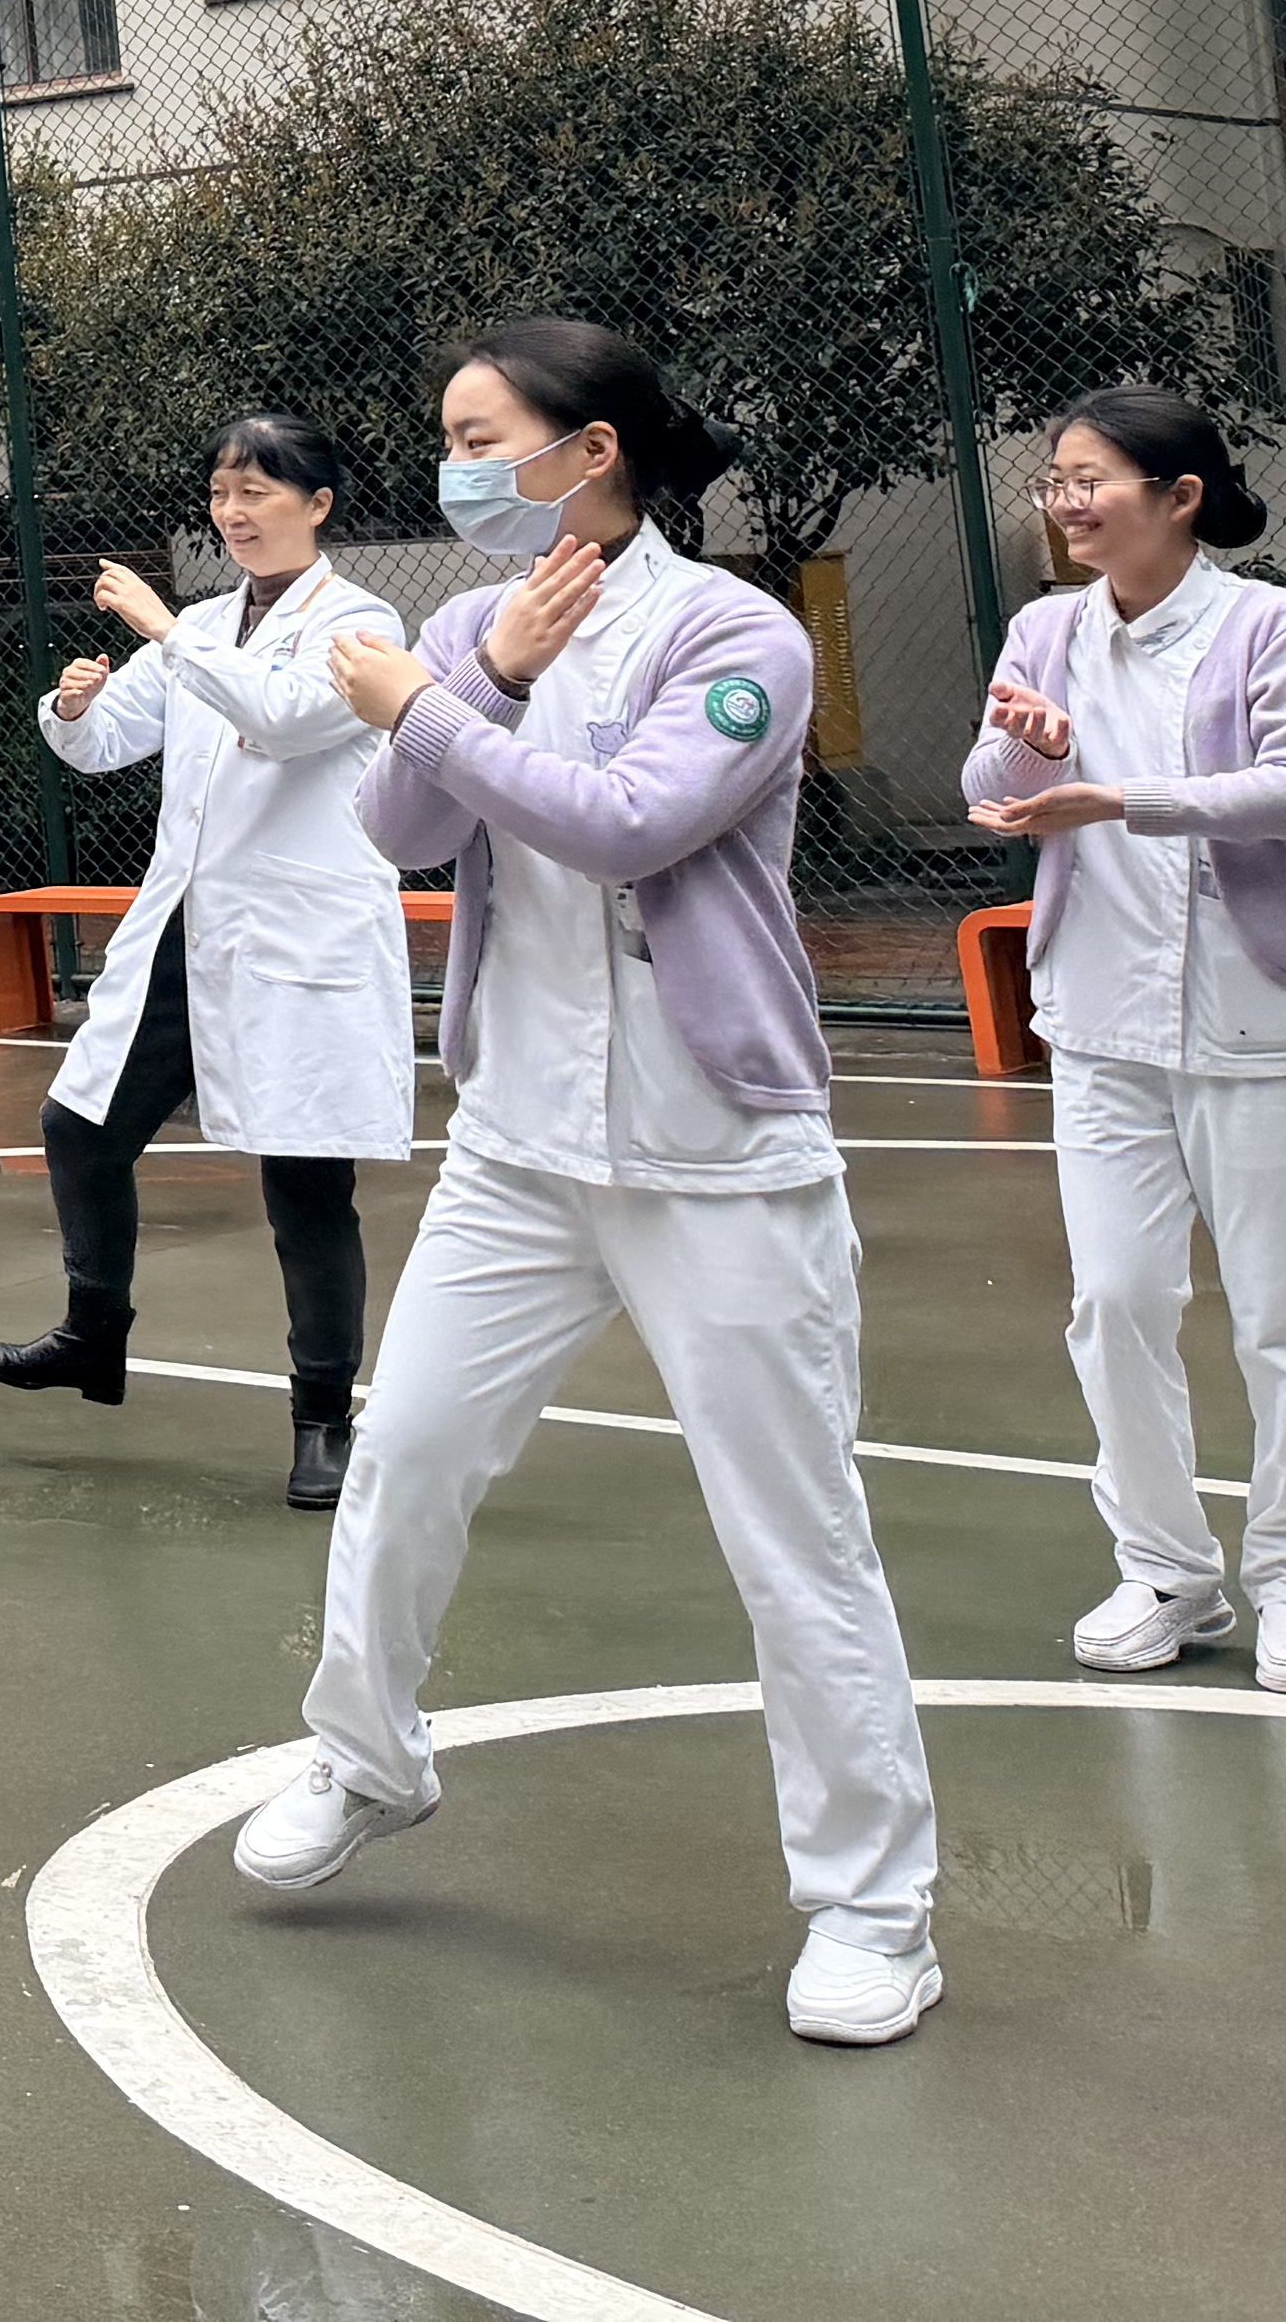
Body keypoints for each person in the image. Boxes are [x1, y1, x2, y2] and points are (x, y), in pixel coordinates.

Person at [262, 320, 943, 2048]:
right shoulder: (458, 624)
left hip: (716, 1151)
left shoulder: (736, 633)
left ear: (595, 449)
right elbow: (401, 838)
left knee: (795, 1534)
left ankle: (873, 1907)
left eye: (483, 435)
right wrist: (472, 670)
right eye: (449, 440)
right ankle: (365, 1759)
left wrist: (425, 703)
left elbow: (631, 820)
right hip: (519, 1143)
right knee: (403, 1449)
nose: (458, 468)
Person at [0, 416, 414, 1508]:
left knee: (306, 1185)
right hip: (187, 928)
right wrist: (72, 708)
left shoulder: (361, 621)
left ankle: (322, 1421)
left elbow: (293, 718)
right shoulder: (208, 624)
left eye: (261, 491)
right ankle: (93, 1334)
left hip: (296, 936)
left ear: (319, 504)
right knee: (80, 1126)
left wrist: (167, 632)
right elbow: (112, 739)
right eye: (222, 492)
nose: (236, 511)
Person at [959, 383, 1286, 1684]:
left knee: (1275, 1319)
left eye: (1092, 477)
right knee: (1118, 1304)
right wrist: (1029, 757)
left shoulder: (1262, 627)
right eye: (1057, 479)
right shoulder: (1046, 630)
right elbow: (991, 790)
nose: (1067, 500)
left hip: (1255, 1028)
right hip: (1096, 1025)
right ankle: (1167, 1572)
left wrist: (1118, 795)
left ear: (1181, 496)